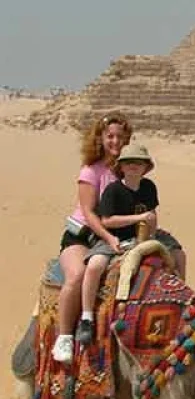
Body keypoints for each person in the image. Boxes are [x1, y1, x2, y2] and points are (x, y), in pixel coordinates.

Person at [75, 144, 184, 350]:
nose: (134, 166)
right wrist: (139, 218)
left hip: (144, 236)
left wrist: (152, 232)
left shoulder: (149, 187)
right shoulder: (113, 190)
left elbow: (152, 213)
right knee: (95, 266)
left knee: (179, 255)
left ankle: (180, 302)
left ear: (145, 167)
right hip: (116, 237)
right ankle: (87, 317)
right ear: (122, 167)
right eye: (129, 162)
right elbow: (106, 220)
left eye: (139, 163)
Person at [51, 114, 132, 363]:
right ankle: (64, 337)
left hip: (111, 236)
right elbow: (88, 212)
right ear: (100, 138)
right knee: (77, 275)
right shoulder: (90, 171)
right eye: (110, 136)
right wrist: (108, 237)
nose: (115, 141)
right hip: (82, 237)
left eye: (120, 136)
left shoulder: (126, 170)